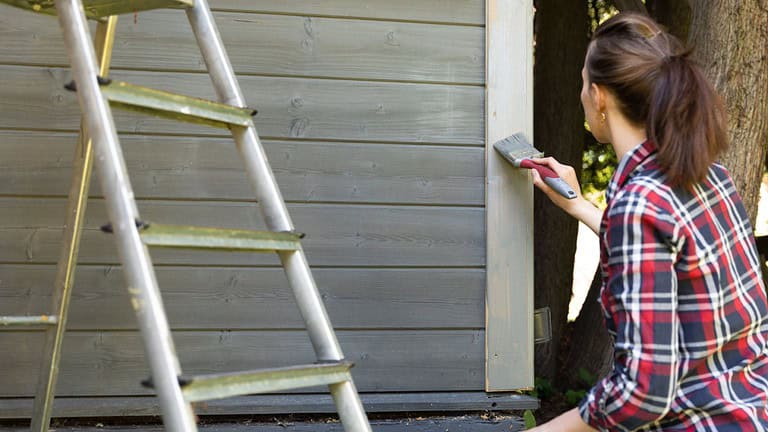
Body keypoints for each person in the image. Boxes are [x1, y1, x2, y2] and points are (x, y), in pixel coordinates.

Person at [527, 12, 768, 432]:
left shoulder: (639, 205)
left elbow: (644, 394)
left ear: (599, 97)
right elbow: (672, 257)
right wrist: (580, 204)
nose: (582, 92)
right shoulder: (707, 174)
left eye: (584, 81)